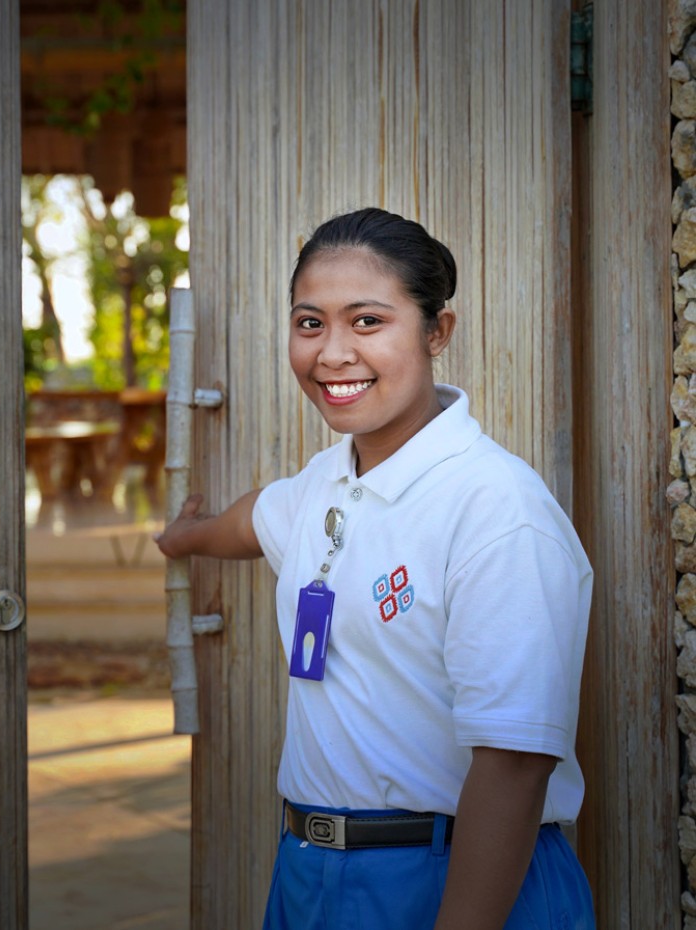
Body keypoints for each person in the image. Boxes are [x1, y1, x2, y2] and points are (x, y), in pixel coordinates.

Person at [154, 208, 595, 929]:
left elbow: (514, 762)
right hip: (308, 874)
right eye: (309, 324)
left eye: (366, 322)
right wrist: (185, 537)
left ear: (436, 332)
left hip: (458, 881)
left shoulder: (494, 508)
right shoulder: (324, 486)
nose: (331, 354)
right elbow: (253, 519)